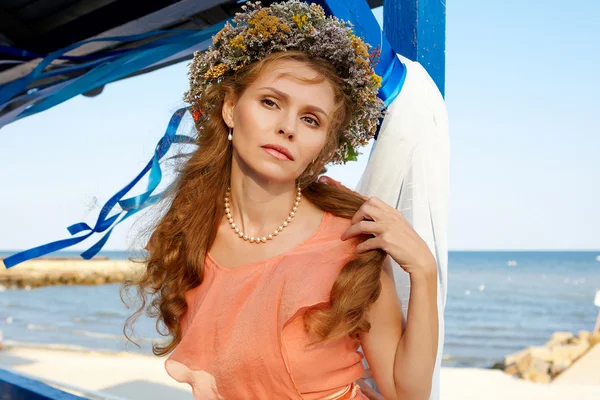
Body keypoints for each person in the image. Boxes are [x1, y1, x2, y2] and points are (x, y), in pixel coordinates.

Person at [122, 1, 438, 399]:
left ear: (322, 144)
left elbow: (406, 394)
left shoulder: (350, 241)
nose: (287, 127)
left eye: (311, 119)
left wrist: (425, 273)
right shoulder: (189, 234)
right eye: (271, 102)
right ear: (231, 108)